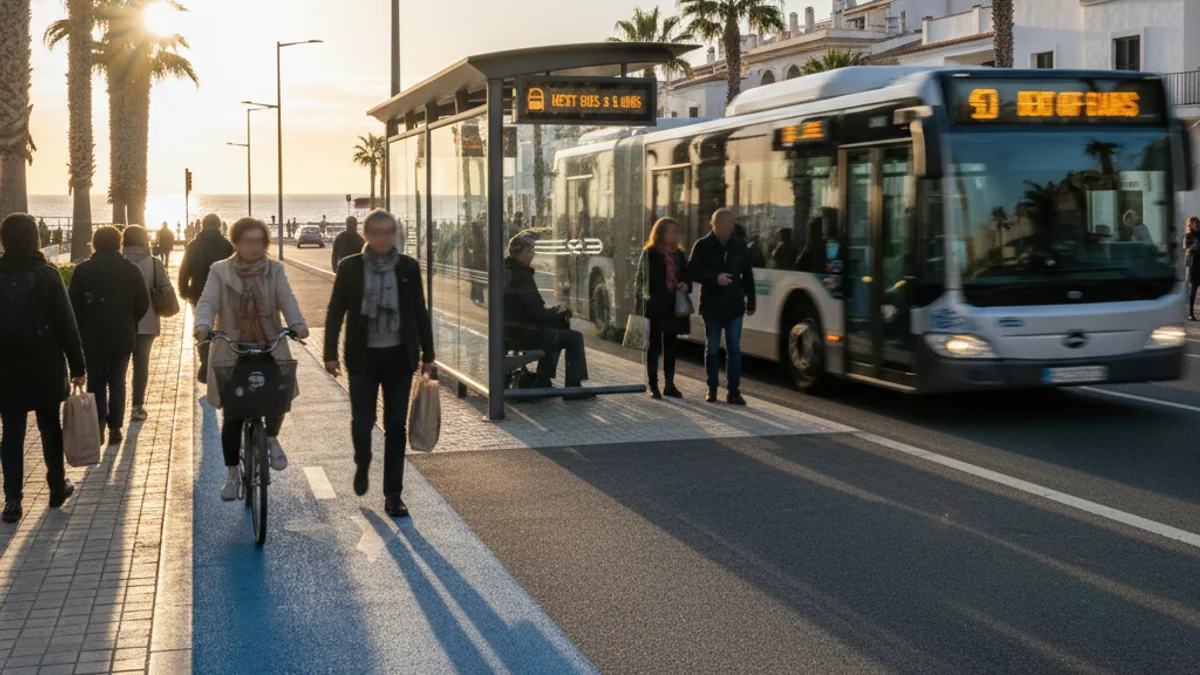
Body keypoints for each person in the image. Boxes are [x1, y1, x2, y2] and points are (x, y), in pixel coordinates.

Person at [325, 209, 436, 518]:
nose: (384, 238)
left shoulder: (408, 267)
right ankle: (363, 461)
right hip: (363, 357)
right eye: (377, 232)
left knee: (395, 426)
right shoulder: (350, 268)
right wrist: (329, 353)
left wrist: (428, 356)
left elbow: (419, 312)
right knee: (363, 421)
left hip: (399, 357)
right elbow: (335, 311)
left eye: (389, 232)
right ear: (366, 234)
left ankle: (393, 494)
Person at [193, 218, 309, 501]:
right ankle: (232, 476)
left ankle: (271, 438)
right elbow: (208, 301)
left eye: (259, 241)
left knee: (278, 397)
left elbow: (287, 299)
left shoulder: (275, 270)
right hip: (233, 349)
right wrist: (203, 325)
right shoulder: (219, 270)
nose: (255, 247)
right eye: (248, 241)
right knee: (233, 415)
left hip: (269, 346)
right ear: (235, 243)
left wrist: (297, 324)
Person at [0, 214, 85, 523]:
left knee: (12, 431)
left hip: (5, 368)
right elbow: (67, 325)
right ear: (35, 238)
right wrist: (78, 367)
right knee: (49, 427)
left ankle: (12, 500)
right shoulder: (47, 274)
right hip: (45, 364)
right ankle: (56, 488)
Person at [69, 226, 151, 446]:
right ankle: (115, 427)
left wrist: (82, 324)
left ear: (94, 244)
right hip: (122, 334)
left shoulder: (83, 270)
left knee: (95, 380)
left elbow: (73, 304)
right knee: (118, 381)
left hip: (92, 334)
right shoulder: (130, 270)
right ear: (119, 244)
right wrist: (130, 319)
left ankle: (98, 423)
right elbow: (143, 302)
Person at [503, 234, 593, 399]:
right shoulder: (521, 276)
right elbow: (537, 314)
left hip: (510, 332)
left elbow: (530, 310)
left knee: (557, 328)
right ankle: (572, 387)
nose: (533, 254)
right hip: (524, 334)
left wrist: (555, 313)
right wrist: (559, 313)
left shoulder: (506, 270)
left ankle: (543, 380)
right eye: (531, 251)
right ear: (522, 253)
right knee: (574, 337)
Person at [688, 208, 756, 406]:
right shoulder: (702, 245)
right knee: (712, 347)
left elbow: (747, 275)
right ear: (715, 224)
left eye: (731, 223)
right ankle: (712, 388)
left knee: (734, 348)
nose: (730, 226)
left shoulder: (739, 246)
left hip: (735, 305)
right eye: (726, 223)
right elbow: (692, 271)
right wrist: (714, 278)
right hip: (711, 306)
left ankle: (734, 391)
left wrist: (751, 301)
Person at [636, 217, 691, 400]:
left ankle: (669, 384)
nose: (674, 234)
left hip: (673, 306)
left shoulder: (679, 254)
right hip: (655, 306)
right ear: (660, 233)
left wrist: (685, 284)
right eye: (670, 231)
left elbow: (687, 276)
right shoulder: (650, 253)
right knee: (654, 346)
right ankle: (653, 385)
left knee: (671, 346)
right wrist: (644, 305)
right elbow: (640, 281)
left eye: (675, 231)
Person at [122, 226, 173, 421]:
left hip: (119, 324)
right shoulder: (153, 263)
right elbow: (166, 289)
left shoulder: (117, 262)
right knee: (141, 364)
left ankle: (116, 407)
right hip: (147, 321)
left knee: (119, 367)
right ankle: (137, 406)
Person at [179, 213, 234, 383]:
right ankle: (219, 361)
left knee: (202, 326)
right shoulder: (227, 245)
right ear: (219, 226)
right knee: (223, 328)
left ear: (202, 226)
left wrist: (184, 290)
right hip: (223, 293)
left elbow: (184, 270)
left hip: (198, 292)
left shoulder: (193, 245)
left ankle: (205, 361)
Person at [1185, 216, 1200, 320]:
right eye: (1194, 223)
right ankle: (1191, 313)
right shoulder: (1188, 236)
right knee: (1193, 289)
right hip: (1194, 264)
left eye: (1197, 222)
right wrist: (1192, 247)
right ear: (1190, 225)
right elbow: (1185, 248)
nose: (1196, 225)